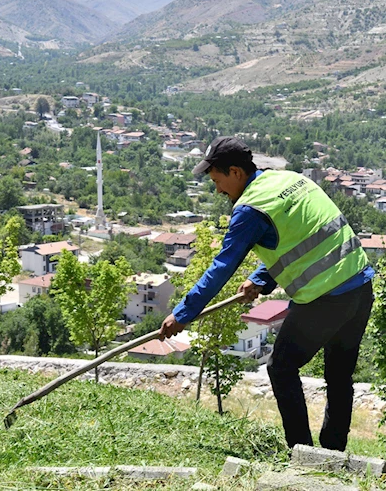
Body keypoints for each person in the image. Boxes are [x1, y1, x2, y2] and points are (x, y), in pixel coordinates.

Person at [160, 136, 374, 451]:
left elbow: (221, 267)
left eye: (218, 181)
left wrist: (182, 314)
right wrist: (262, 278)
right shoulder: (288, 180)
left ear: (235, 172)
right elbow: (306, 237)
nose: (218, 190)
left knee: (281, 366)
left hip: (325, 299)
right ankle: (332, 453)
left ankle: (301, 451)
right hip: (359, 287)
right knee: (339, 376)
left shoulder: (250, 209)